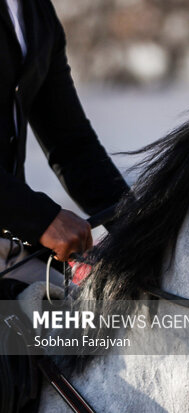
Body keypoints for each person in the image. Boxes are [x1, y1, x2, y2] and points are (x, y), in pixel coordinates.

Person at [0, 0, 129, 285]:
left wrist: (138, 227)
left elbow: (72, 146)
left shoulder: (37, 13)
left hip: (11, 250)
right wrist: (40, 218)